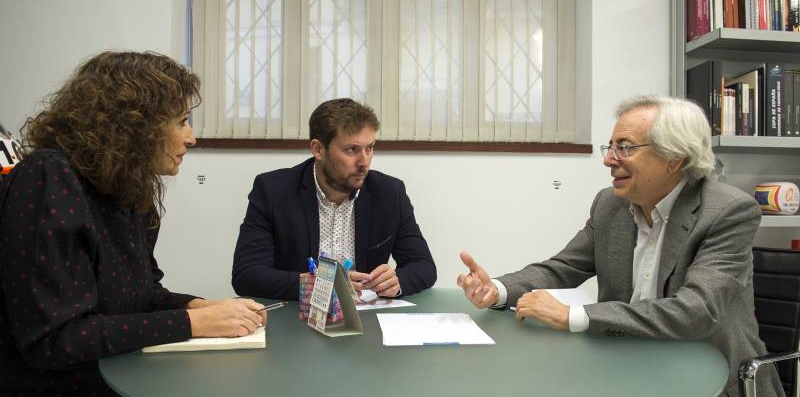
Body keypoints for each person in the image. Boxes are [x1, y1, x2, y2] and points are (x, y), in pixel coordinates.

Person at [456, 95, 782, 396]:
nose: (609, 160)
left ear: (674, 157)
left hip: (710, 376)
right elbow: (562, 268)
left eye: (624, 147)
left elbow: (697, 310)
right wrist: (497, 290)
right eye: (609, 147)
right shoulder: (610, 204)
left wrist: (574, 316)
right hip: (628, 367)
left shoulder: (727, 211)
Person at [0, 51, 267, 396]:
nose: (191, 138)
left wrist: (199, 306)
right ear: (134, 125)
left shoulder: (128, 190)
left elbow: (142, 296)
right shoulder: (51, 176)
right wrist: (192, 323)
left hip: (122, 376)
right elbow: (54, 340)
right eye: (182, 121)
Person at [232, 98, 436, 300]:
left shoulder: (390, 193)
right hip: (298, 316)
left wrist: (397, 281)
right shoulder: (273, 191)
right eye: (352, 150)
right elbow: (247, 275)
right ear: (318, 149)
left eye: (370, 148)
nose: (364, 162)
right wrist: (320, 285)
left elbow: (424, 266)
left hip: (366, 318)